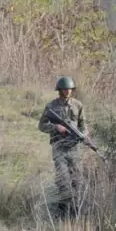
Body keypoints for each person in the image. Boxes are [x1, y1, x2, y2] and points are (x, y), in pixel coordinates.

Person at [37, 76, 87, 217]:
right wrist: (55, 127)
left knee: (77, 181)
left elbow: (83, 125)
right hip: (59, 148)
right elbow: (41, 125)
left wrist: (83, 135)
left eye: (70, 89)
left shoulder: (78, 105)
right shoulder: (51, 106)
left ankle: (75, 212)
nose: (67, 91)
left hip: (74, 149)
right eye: (65, 89)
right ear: (59, 90)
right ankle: (63, 211)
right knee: (63, 181)